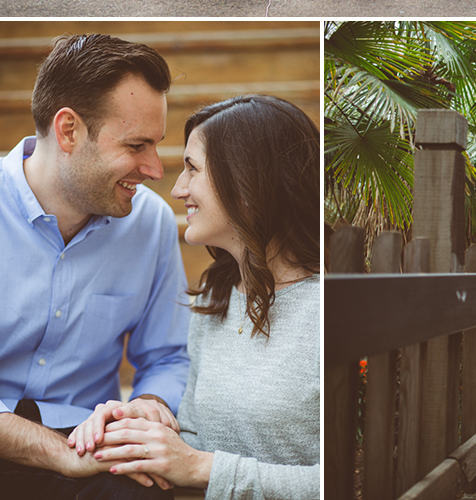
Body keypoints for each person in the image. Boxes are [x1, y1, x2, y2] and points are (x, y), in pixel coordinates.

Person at [73, 95, 320, 498]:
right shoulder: (216, 296)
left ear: (247, 181)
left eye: (192, 169)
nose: (176, 189)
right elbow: (193, 437)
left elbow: (341, 480)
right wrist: (137, 421)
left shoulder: (323, 311)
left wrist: (203, 468)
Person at [0, 34, 190, 498]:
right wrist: (58, 453)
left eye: (157, 145)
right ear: (68, 131)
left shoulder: (150, 222)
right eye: (136, 145)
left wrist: (149, 404)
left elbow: (168, 355)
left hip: (94, 450)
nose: (154, 170)